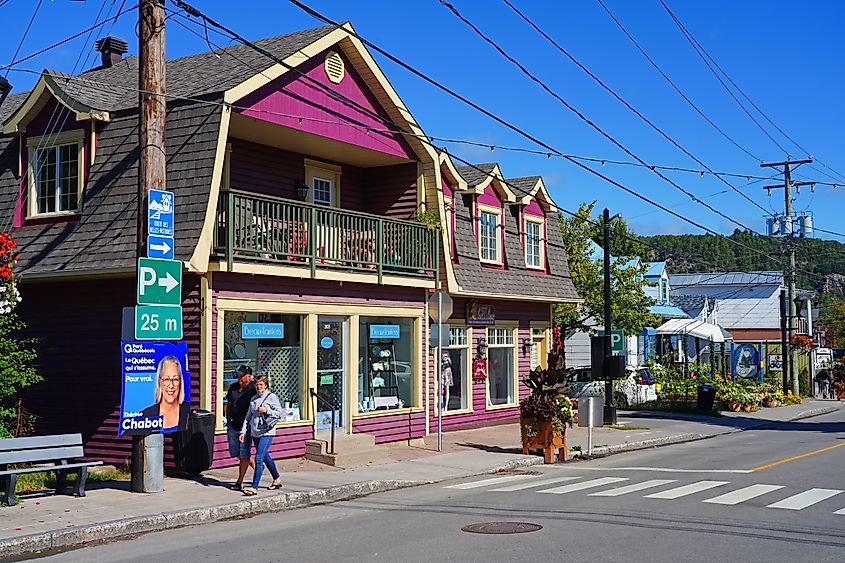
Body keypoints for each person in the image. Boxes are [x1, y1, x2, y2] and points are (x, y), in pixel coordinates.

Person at [240, 374, 283, 495]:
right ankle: (276, 478)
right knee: (265, 456)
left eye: (261, 385)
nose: (259, 387)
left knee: (258, 458)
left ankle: (254, 487)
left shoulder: (271, 397)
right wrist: (243, 431)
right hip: (255, 432)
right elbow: (248, 417)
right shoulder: (253, 399)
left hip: (267, 431)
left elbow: (279, 413)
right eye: (257, 385)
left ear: (266, 385)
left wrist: (266, 410)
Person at [225, 365, 262, 490]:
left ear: (249, 376)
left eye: (242, 375)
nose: (239, 378)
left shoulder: (253, 389)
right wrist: (228, 421)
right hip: (233, 425)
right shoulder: (233, 387)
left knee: (244, 454)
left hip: (246, 427)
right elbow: (229, 405)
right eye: (238, 375)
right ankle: (258, 468)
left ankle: (239, 482)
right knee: (236, 453)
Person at [141, 355, 189, 433]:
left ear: (180, 382)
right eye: (166, 379)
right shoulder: (145, 415)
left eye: (175, 379)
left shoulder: (188, 413)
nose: (171, 385)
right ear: (159, 381)